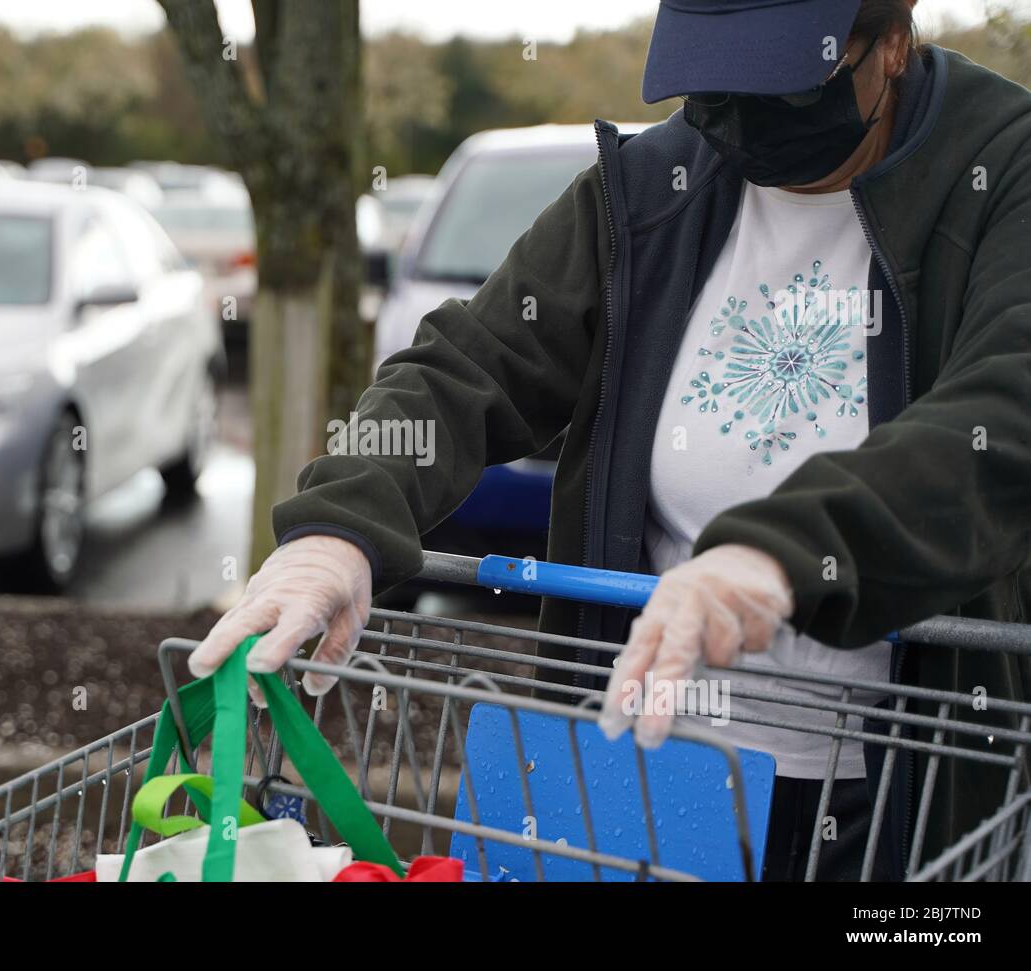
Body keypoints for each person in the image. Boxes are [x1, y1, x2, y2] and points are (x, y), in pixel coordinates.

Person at [192, 0, 1031, 880]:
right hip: (640, 770)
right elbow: (470, 365)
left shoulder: (1000, 172)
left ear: (890, 44)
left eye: (780, 81)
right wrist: (340, 523)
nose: (734, 116)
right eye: (711, 84)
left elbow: (1002, 414)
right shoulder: (653, 186)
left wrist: (779, 557)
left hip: (897, 800)